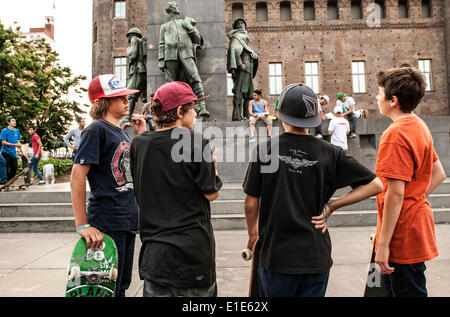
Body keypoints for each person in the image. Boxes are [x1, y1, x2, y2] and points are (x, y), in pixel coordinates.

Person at [243, 83, 383, 297]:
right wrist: (331, 207)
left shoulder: (265, 149)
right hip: (315, 255)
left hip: (277, 255)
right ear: (314, 118)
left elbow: (251, 202)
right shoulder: (331, 153)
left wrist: (253, 234)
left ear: (280, 115)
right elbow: (375, 185)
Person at [130, 81, 222, 297]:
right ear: (180, 111)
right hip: (191, 257)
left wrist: (144, 134)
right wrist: (214, 167)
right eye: (193, 108)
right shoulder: (198, 143)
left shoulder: (138, 144)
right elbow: (211, 193)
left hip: (155, 258)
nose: (196, 114)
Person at [70, 74, 146, 297]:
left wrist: (140, 135)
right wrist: (82, 225)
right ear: (102, 102)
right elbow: (77, 174)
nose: (125, 100)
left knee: (120, 284)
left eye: (125, 96)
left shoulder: (121, 131)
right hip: (108, 222)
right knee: (105, 288)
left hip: (127, 220)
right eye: (118, 96)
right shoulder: (96, 129)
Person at [374, 67, 446, 297]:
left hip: (401, 235)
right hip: (416, 226)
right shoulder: (418, 126)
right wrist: (415, 200)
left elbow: (395, 194)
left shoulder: (395, 134)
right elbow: (438, 173)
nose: (377, 97)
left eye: (379, 93)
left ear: (392, 100)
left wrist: (382, 246)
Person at [158, 2, 209, 117]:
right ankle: (172, 110)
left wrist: (190, 28)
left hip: (186, 53)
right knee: (172, 84)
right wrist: (161, 60)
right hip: (170, 55)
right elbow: (161, 44)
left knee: (195, 78)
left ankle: (202, 107)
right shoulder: (164, 27)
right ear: (171, 9)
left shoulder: (186, 22)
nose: (177, 8)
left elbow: (198, 39)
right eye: (175, 6)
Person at [227, 17, 258, 121]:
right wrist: (240, 64)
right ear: (236, 27)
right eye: (238, 24)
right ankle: (236, 115)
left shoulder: (244, 35)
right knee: (239, 91)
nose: (241, 25)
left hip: (249, 67)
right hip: (244, 67)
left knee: (249, 94)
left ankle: (247, 115)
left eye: (242, 23)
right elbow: (234, 50)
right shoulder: (238, 36)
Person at [120, 27, 148, 126]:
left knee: (130, 95)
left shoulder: (134, 40)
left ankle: (127, 117)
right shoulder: (139, 41)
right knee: (140, 96)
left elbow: (133, 55)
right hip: (140, 71)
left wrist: (128, 51)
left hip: (137, 70)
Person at [0, 116, 24, 181]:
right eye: (13, 121)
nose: (14, 122)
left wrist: (22, 152)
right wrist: (14, 144)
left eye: (15, 121)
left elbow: (18, 142)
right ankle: (5, 180)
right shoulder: (4, 131)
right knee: (6, 168)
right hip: (5, 151)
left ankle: (9, 181)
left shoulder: (17, 131)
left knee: (14, 168)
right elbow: (3, 142)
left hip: (13, 153)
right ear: (8, 122)